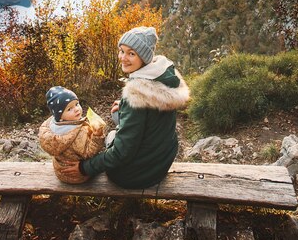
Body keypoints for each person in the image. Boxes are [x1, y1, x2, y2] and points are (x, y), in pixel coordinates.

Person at [61, 26, 190, 189]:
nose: (123, 58)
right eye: (122, 51)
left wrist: (84, 168)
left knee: (111, 136)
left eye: (131, 53)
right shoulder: (163, 76)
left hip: (135, 176)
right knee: (117, 117)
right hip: (161, 162)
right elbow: (151, 109)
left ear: (144, 58)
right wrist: (124, 104)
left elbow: (121, 154)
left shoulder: (136, 94)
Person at [38, 86, 105, 184]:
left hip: (61, 172)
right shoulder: (78, 133)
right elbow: (89, 152)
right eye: (69, 109)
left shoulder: (50, 125)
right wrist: (97, 136)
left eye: (77, 104)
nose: (77, 109)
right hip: (78, 175)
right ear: (60, 115)